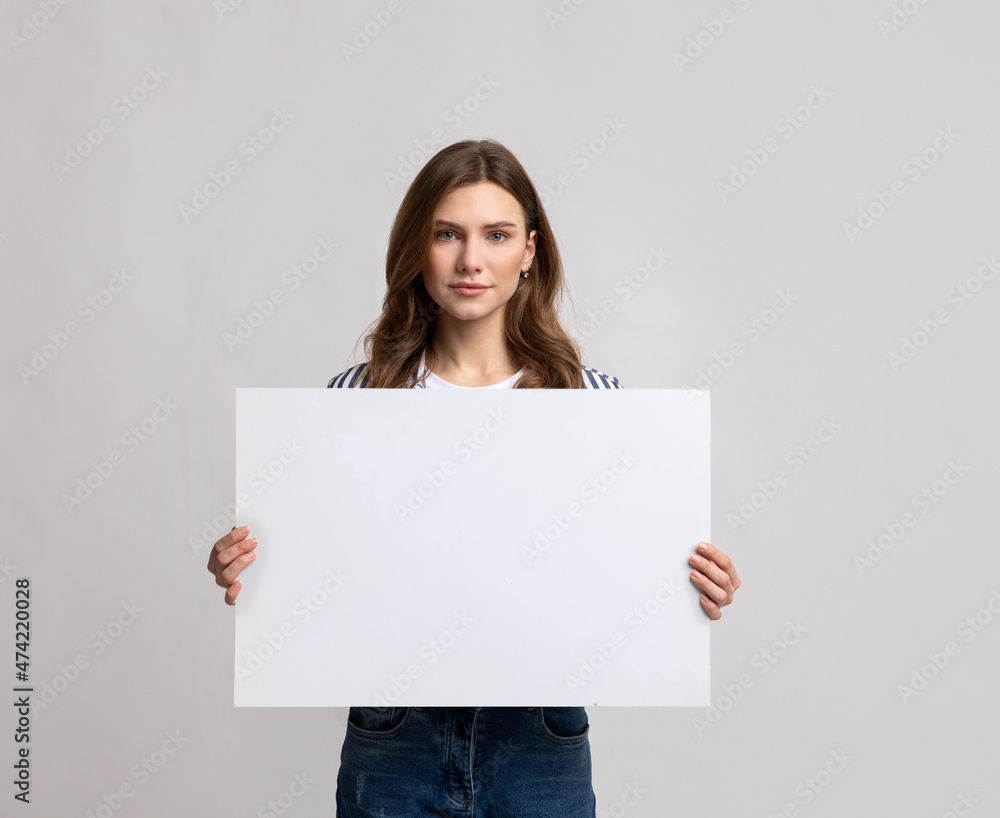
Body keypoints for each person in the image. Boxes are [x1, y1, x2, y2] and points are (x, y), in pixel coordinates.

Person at [207, 138, 741, 817]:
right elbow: (323, 569)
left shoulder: (595, 401)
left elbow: (624, 569)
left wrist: (694, 582)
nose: (470, 260)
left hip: (540, 740)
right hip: (394, 738)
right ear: (416, 249)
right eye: (447, 234)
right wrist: (254, 565)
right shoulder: (355, 399)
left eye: (496, 235)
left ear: (530, 251)